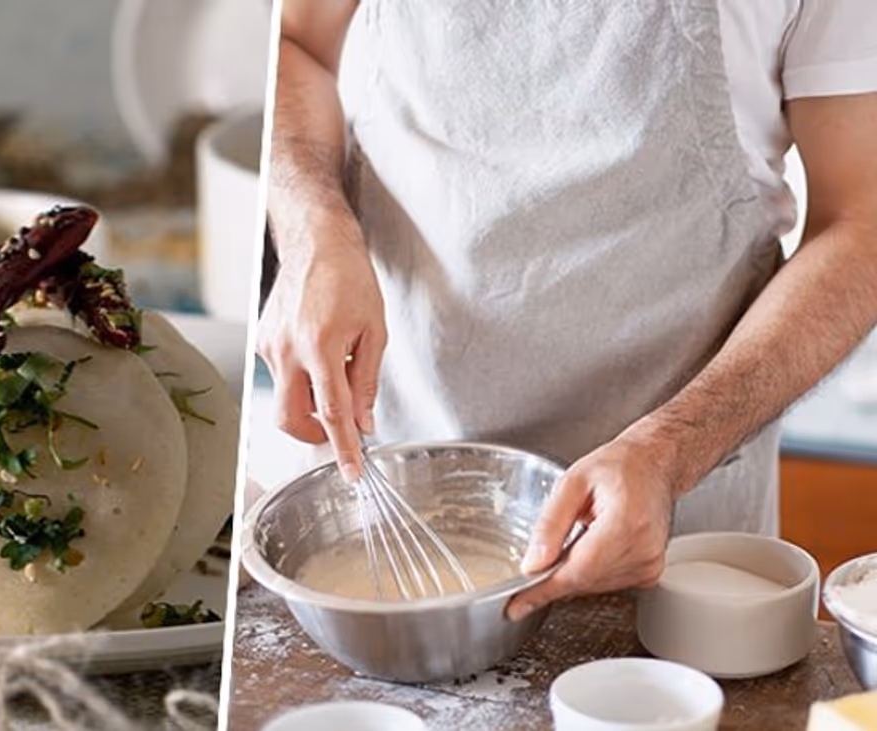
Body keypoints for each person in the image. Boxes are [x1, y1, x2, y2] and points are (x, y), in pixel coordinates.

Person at [259, 0, 877, 621]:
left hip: (678, 535)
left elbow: (860, 224)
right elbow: (291, 46)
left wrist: (670, 454)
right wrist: (313, 228)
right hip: (384, 478)